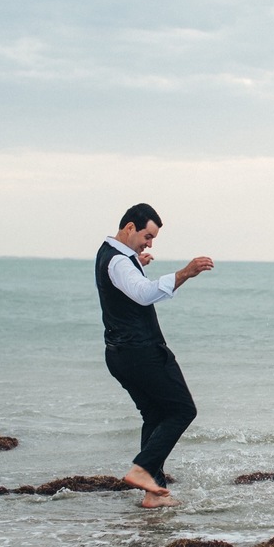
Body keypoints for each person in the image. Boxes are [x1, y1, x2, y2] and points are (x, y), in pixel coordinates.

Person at [95, 203, 214, 507]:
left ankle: (154, 492)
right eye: (147, 236)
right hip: (141, 352)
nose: (149, 243)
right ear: (130, 228)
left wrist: (137, 264)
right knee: (182, 410)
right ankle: (142, 469)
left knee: (155, 414)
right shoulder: (120, 263)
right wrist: (185, 273)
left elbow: (125, 286)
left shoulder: (115, 256)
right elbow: (145, 294)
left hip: (120, 354)